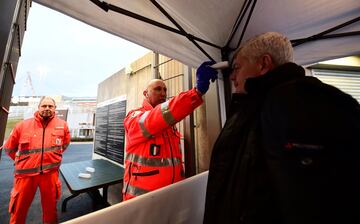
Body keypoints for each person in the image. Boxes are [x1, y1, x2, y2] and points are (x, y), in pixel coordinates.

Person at [203, 32, 360, 224]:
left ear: (263, 64)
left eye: (237, 67)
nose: (233, 76)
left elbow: (312, 200)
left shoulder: (294, 104)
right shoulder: (261, 105)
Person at [122, 66, 217, 200]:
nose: (163, 93)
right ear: (145, 93)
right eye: (157, 89)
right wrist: (196, 93)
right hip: (141, 201)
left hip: (171, 196)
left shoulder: (168, 124)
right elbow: (155, 118)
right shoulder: (134, 117)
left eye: (165, 89)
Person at [2, 96, 70, 224]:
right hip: (25, 176)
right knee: (18, 211)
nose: (47, 109)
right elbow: (9, 148)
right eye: (44, 106)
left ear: (55, 108)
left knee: (51, 211)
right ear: (38, 107)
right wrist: (23, 161)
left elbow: (64, 145)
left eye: (50, 106)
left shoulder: (63, 125)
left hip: (50, 175)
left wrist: (52, 157)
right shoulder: (22, 125)